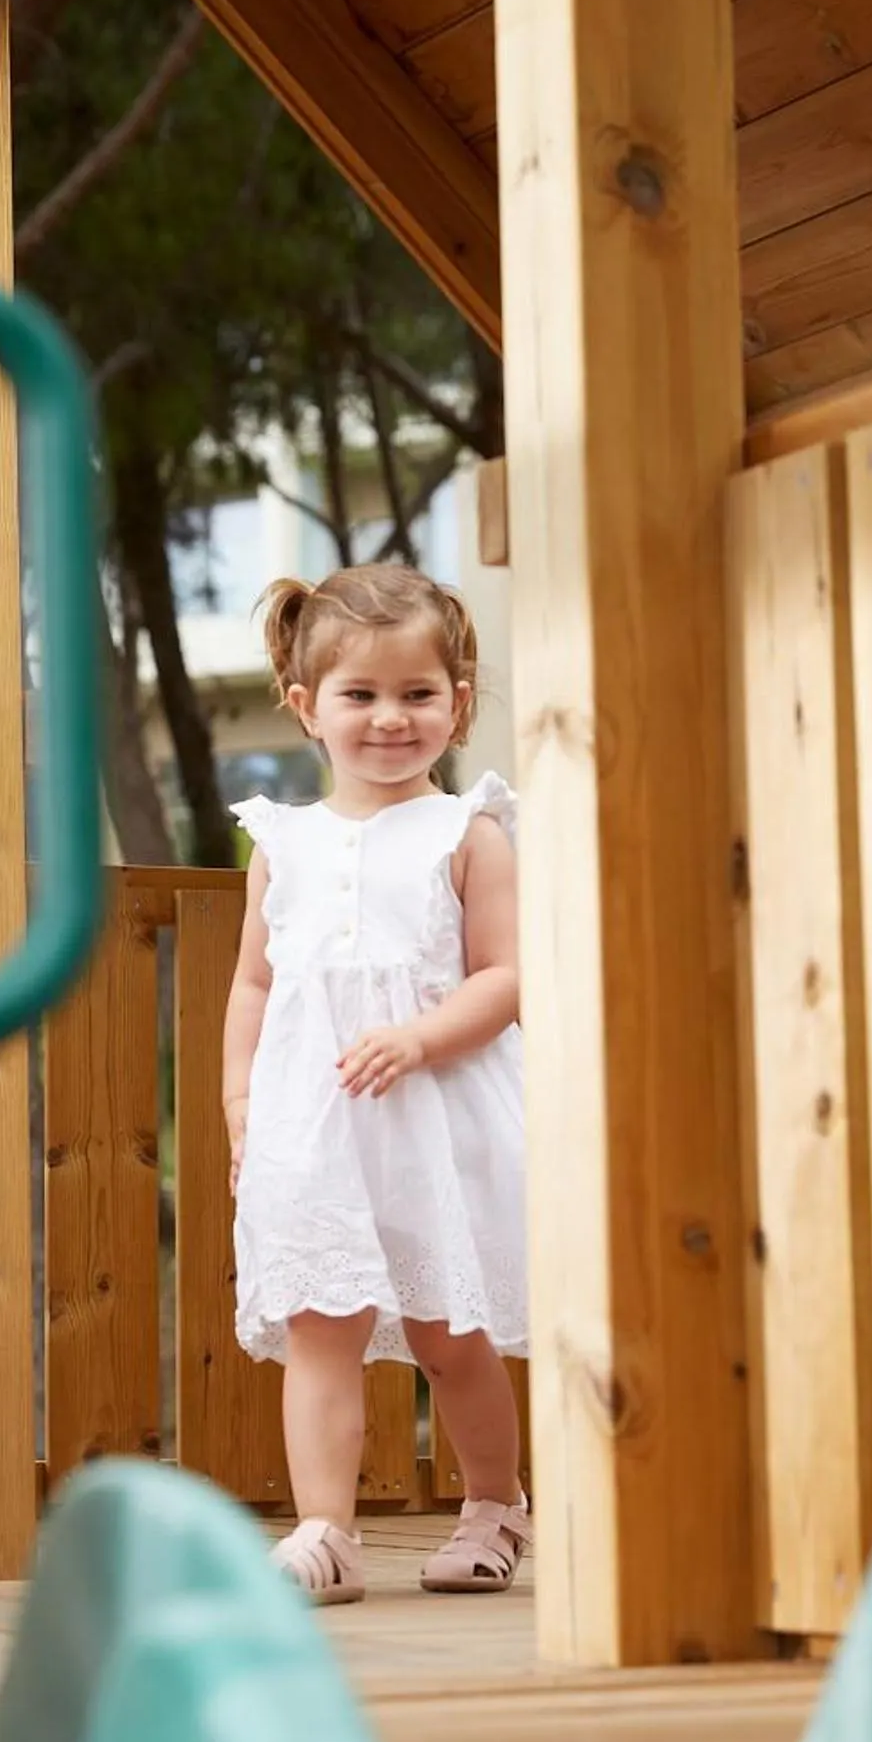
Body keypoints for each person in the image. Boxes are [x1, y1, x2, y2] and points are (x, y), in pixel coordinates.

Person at [221, 560, 529, 1607]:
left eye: (417, 695)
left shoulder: (466, 831)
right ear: (308, 708)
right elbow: (256, 989)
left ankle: (493, 1504)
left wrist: (422, 1038)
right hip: (315, 1129)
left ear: (460, 704)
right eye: (361, 695)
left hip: (433, 1126)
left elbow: (506, 975)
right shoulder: (285, 843)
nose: (390, 718)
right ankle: (327, 1530)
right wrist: (239, 1110)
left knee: (452, 1335)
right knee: (322, 1326)